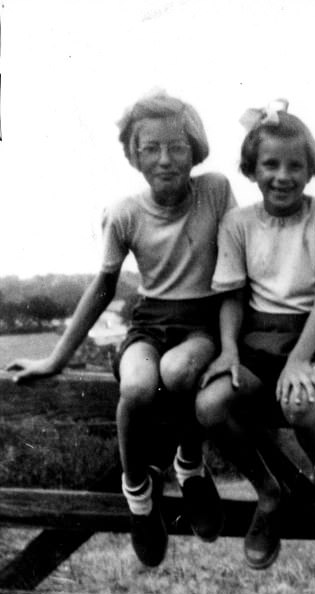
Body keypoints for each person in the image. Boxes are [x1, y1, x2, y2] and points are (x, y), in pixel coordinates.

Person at [8, 92, 236, 568]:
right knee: (135, 385)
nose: (165, 159)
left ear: (194, 148)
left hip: (200, 324)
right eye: (150, 148)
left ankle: (189, 466)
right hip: (150, 321)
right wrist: (56, 359)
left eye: (176, 147)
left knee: (178, 374)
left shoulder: (214, 190)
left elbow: (241, 257)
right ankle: (139, 497)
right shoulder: (125, 212)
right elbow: (102, 287)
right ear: (134, 155)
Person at [196, 100, 315, 570]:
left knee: (302, 407)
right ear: (252, 168)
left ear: (311, 170)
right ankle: (269, 493)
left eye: (295, 165)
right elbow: (230, 294)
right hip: (254, 342)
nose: (282, 176)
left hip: (314, 337)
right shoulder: (238, 223)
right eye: (270, 164)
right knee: (209, 405)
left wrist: (300, 360)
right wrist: (228, 350)